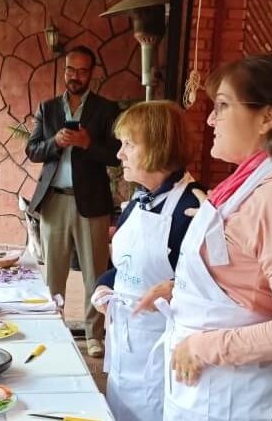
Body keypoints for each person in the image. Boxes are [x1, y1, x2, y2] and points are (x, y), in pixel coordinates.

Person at [153, 53, 272, 421]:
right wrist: (175, 287)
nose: (209, 119)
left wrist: (205, 346)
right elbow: (244, 274)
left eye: (221, 106)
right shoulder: (248, 184)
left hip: (236, 398)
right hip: (209, 391)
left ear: (267, 118)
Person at [87, 100, 203, 421]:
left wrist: (174, 289)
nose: (119, 154)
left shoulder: (192, 209)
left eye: (128, 144)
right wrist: (103, 287)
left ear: (157, 147)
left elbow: (208, 290)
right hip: (124, 348)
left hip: (162, 357)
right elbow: (122, 267)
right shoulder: (138, 201)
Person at [26, 45, 121, 358]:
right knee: (54, 272)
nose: (75, 76)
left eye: (82, 70)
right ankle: (54, 330)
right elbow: (33, 150)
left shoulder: (107, 110)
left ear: (91, 73)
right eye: (70, 69)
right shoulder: (48, 108)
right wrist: (55, 142)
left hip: (92, 203)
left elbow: (116, 155)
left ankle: (94, 335)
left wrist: (87, 143)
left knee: (95, 271)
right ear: (64, 69)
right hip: (54, 201)